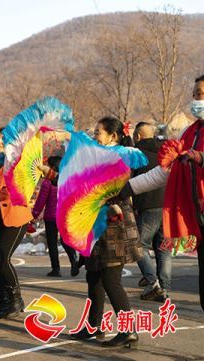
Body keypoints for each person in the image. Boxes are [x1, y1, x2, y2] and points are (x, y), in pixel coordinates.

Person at [118, 75, 204, 311]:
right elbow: (163, 172)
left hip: (153, 210)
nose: (198, 99)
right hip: (197, 218)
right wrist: (126, 189)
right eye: (196, 94)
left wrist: (200, 157)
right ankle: (161, 285)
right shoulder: (189, 134)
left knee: (142, 244)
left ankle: (156, 283)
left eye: (202, 94)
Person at [71, 116, 142, 347]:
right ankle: (94, 325)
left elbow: (111, 188)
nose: (94, 137)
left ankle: (128, 330)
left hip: (114, 222)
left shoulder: (120, 156)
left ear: (112, 136)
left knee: (111, 279)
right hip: (97, 222)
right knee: (94, 277)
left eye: (98, 133)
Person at [0, 128, 33, 319]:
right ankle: (3, 301)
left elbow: (14, 189)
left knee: (3, 257)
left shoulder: (19, 163)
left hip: (16, 216)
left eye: (4, 138)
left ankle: (16, 300)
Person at [131, 122, 170, 301]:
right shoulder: (166, 152)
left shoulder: (136, 154)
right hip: (169, 206)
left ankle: (152, 283)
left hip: (149, 205)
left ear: (138, 136)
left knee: (139, 245)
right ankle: (164, 289)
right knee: (164, 249)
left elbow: (129, 181)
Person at [32, 156, 79, 277]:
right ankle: (74, 261)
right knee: (65, 240)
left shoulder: (47, 183)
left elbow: (41, 201)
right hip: (65, 215)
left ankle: (56, 269)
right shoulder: (67, 180)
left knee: (52, 243)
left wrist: (34, 214)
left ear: (52, 167)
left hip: (51, 217)